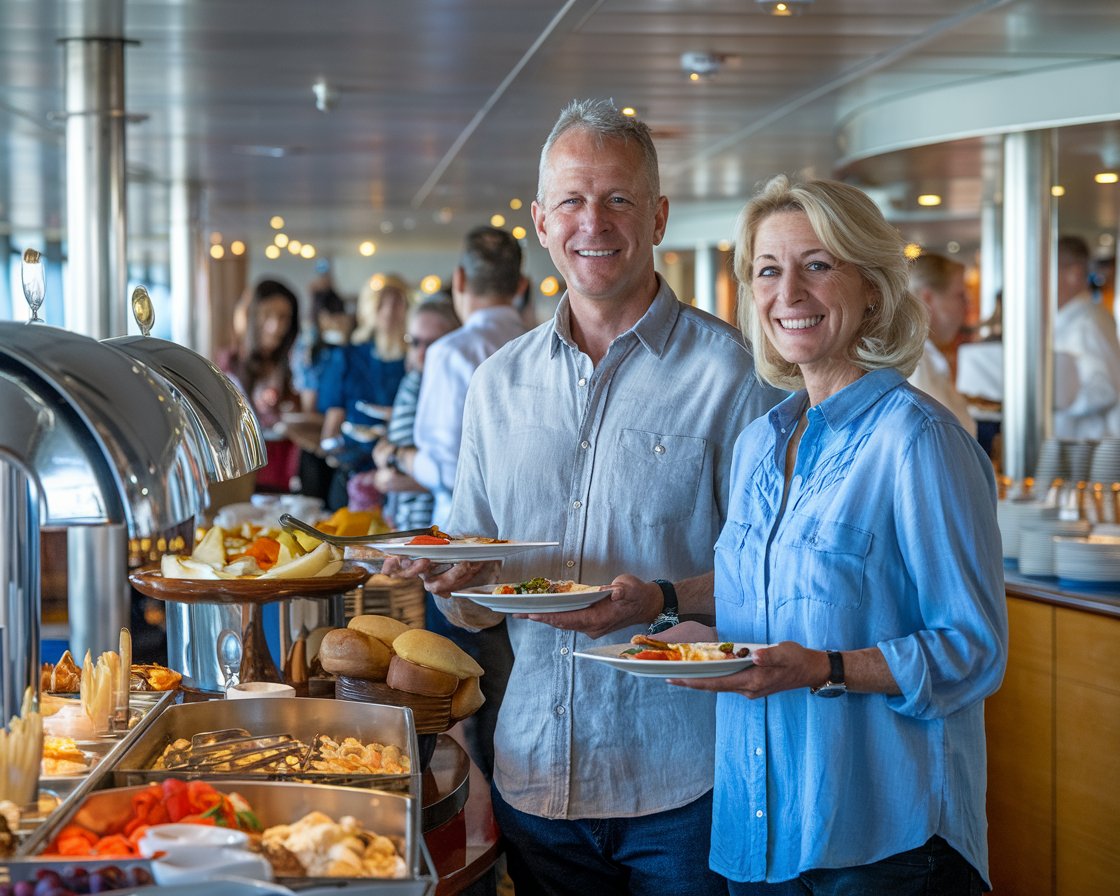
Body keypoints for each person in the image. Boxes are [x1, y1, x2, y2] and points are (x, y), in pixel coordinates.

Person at [384, 99, 783, 895]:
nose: (592, 221)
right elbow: (480, 585)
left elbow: (770, 579)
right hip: (535, 772)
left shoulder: (732, 373)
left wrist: (661, 600)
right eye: (571, 199)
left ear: (659, 215)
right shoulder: (498, 384)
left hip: (684, 783)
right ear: (540, 220)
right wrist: (453, 580)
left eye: (618, 199)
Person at [668, 175, 1008, 894]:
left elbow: (974, 651)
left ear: (873, 290)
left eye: (817, 265)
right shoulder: (763, 441)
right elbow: (758, 609)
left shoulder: (918, 442)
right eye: (768, 270)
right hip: (758, 832)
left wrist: (825, 668)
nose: (788, 292)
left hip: (885, 847)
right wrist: (675, 620)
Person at [390, 226, 530, 782]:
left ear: (460, 281)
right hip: (532, 549)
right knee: (515, 689)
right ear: (521, 284)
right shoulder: (543, 340)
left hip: (462, 555)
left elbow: (444, 467)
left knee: (462, 696)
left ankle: (479, 822)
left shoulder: (450, 352)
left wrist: (399, 459)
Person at [367, 296, 461, 530]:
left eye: (432, 344)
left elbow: (459, 472)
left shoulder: (454, 388)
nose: (421, 353)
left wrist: (404, 477)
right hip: (403, 523)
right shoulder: (413, 381)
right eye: (414, 342)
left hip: (440, 526)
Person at [316, 274, 409, 509]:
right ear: (370, 309)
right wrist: (335, 449)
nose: (389, 312)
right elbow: (332, 424)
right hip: (354, 472)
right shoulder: (346, 357)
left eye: (396, 303)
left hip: (401, 476)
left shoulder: (416, 360)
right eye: (382, 304)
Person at [216, 278, 301, 493]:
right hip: (238, 480)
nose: (276, 326)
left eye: (284, 318)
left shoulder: (294, 366)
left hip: (284, 480)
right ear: (252, 317)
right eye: (268, 315)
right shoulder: (227, 366)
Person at [286, 285, 354, 503]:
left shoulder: (345, 349)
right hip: (318, 440)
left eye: (338, 314)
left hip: (342, 442)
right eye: (329, 315)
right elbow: (310, 407)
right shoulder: (308, 349)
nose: (334, 320)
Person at [1052, 234, 1120, 439]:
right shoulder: (1074, 319)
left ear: (1074, 273)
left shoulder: (1087, 322)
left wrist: (1052, 402)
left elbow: (1105, 389)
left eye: (1050, 271)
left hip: (1091, 449)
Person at [907, 252, 977, 437]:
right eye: (960, 296)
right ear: (928, 299)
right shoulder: (915, 364)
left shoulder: (928, 357)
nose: (967, 307)